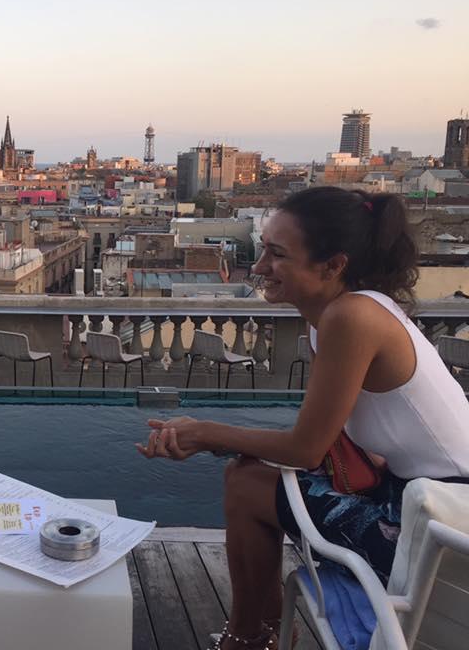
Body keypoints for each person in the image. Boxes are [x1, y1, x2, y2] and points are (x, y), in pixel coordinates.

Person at [136, 186, 469, 650]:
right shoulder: (334, 315)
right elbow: (332, 440)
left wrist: (205, 431)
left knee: (248, 485)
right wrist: (211, 439)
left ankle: (250, 638)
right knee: (249, 476)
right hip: (421, 502)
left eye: (276, 254)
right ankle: (258, 634)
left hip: (444, 535)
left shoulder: (351, 317)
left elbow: (305, 448)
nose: (258, 268)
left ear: (333, 266)